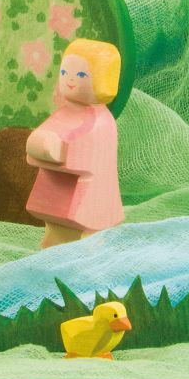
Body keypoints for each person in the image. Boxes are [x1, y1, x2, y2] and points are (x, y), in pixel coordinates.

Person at [26, 38, 124, 248]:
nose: (70, 79)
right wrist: (42, 145)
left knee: (88, 235)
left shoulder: (101, 121)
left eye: (81, 75)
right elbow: (47, 134)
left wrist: (56, 148)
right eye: (64, 72)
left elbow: (83, 147)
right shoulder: (65, 112)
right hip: (58, 193)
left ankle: (89, 251)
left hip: (90, 196)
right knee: (55, 229)